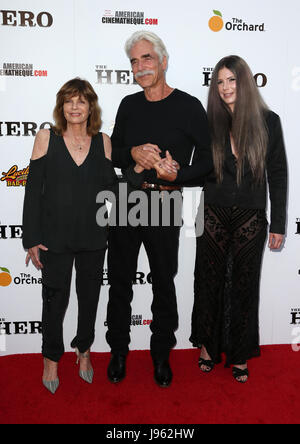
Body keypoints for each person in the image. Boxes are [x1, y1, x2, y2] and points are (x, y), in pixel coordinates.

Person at [156, 55, 288, 383]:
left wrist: (280, 223)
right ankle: (207, 347)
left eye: (231, 80)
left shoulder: (269, 121)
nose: (226, 87)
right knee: (208, 282)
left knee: (244, 287)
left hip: (251, 217)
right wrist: (174, 175)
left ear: (245, 82)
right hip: (213, 213)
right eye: (220, 82)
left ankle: (240, 354)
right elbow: (198, 171)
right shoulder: (209, 124)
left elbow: (278, 174)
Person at [106, 30, 212, 388]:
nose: (140, 67)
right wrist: (132, 154)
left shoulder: (189, 106)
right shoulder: (128, 105)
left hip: (166, 201)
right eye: (134, 61)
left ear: (163, 61)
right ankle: (118, 350)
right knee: (119, 281)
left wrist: (180, 174)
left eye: (146, 58)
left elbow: (210, 162)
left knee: (163, 283)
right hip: (127, 199)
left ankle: (161, 355)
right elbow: (114, 155)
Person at [22, 78, 116, 394]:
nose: (75, 107)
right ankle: (51, 358)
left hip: (93, 237)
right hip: (54, 237)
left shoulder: (103, 140)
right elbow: (33, 192)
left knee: (89, 299)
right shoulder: (46, 137)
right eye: (69, 101)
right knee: (54, 301)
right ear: (62, 107)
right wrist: (31, 238)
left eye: (81, 101)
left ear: (91, 107)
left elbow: (110, 193)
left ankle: (84, 350)